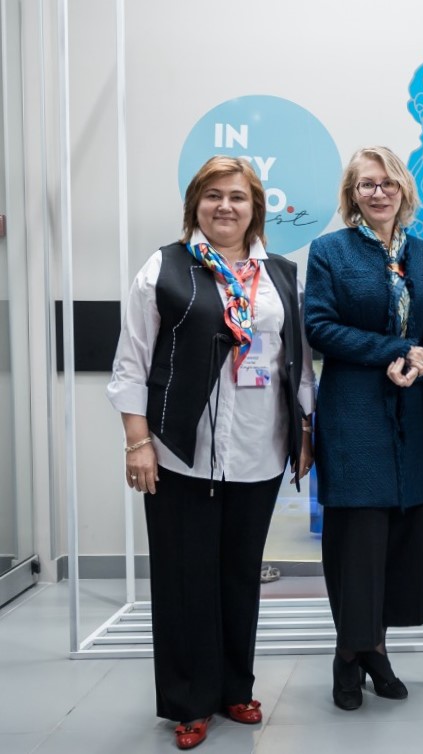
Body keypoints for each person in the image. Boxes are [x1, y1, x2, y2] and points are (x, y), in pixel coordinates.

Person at [106, 156, 315, 750]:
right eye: (213, 195)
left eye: (238, 197)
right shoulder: (165, 267)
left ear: (256, 208)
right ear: (195, 204)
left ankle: (232, 688)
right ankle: (189, 701)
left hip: (259, 449)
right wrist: (138, 442)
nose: (225, 206)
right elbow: (131, 363)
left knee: (240, 575)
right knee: (184, 576)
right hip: (181, 451)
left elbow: (294, 363)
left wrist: (304, 433)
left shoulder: (279, 273)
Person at [304, 147, 423, 711]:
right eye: (367, 184)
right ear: (352, 195)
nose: (378, 192)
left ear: (403, 189)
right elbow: (318, 326)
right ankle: (348, 654)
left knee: (398, 539)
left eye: (387, 183)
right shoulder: (330, 250)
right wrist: (393, 349)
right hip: (354, 411)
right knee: (357, 541)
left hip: (410, 411)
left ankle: (376, 649)